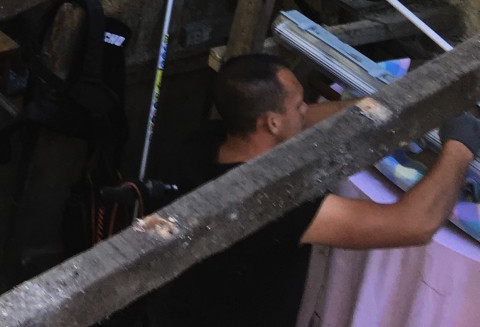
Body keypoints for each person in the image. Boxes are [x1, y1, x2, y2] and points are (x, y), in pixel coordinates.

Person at [147, 53, 480, 327]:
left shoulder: (204, 143)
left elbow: (302, 122)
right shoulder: (270, 206)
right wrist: (460, 146)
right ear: (272, 122)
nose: (306, 109)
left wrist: (397, 104)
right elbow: (413, 224)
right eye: (299, 104)